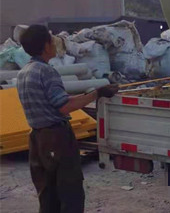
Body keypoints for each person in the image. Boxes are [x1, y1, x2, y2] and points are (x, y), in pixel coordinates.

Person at [17, 25, 119, 213]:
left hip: (37, 139)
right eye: (51, 40)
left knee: (48, 194)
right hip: (56, 138)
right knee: (70, 191)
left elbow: (57, 100)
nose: (55, 44)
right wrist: (97, 93)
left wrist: (89, 94)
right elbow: (64, 106)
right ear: (45, 46)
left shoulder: (24, 72)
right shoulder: (46, 71)